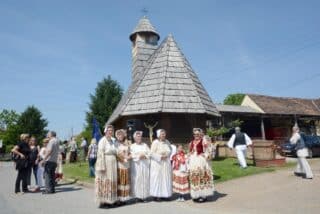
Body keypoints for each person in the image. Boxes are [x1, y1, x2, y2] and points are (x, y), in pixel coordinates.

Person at [95, 124, 118, 208]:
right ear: (105, 131)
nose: (110, 132)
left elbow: (116, 151)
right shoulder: (102, 140)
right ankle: (103, 202)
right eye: (109, 130)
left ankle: (111, 200)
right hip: (106, 162)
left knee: (112, 180)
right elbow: (100, 154)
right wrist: (102, 166)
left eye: (112, 130)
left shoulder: (113, 141)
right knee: (105, 181)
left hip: (113, 162)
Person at [188, 128, 214, 202]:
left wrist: (205, 155)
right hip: (193, 161)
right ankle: (196, 195)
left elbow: (210, 149)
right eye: (195, 134)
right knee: (195, 177)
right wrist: (188, 156)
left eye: (198, 134)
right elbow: (190, 151)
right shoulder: (191, 142)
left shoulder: (204, 141)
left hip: (201, 161)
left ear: (200, 134)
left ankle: (203, 195)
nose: (196, 135)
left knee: (202, 177)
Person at [150, 129, 172, 201]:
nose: (164, 135)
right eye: (162, 134)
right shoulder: (155, 142)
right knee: (158, 179)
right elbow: (152, 153)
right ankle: (157, 195)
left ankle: (165, 195)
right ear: (159, 135)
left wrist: (167, 154)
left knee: (165, 179)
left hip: (165, 163)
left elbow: (170, 150)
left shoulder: (167, 142)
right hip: (157, 164)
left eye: (164, 134)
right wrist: (160, 157)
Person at [130, 131, 151, 202]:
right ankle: (137, 197)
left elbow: (149, 153)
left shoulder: (145, 145)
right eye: (137, 136)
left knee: (145, 180)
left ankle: (144, 196)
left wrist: (144, 155)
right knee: (137, 180)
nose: (139, 138)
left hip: (144, 165)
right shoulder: (132, 146)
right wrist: (139, 156)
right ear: (134, 138)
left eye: (140, 136)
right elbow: (131, 155)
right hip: (137, 166)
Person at [115, 129, 131, 203]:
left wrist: (129, 157)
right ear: (117, 136)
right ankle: (118, 199)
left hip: (126, 165)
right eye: (119, 135)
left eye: (121, 135)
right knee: (120, 182)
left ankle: (124, 198)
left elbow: (130, 152)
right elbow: (116, 154)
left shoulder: (126, 143)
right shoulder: (115, 144)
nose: (120, 136)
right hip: (119, 165)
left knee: (125, 181)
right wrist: (123, 159)